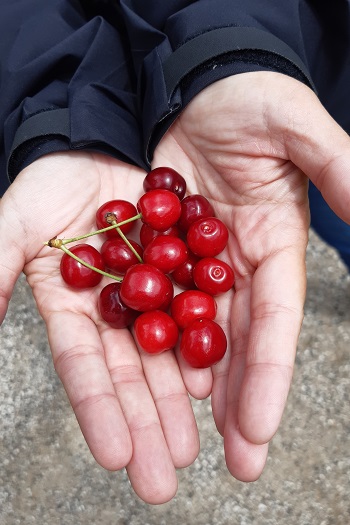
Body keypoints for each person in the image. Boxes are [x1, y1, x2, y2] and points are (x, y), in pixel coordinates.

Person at [1, 0, 350, 504]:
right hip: (111, 102)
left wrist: (231, 52)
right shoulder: (144, 253)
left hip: (300, 74)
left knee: (328, 210)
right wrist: (50, 121)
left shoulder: (164, 232)